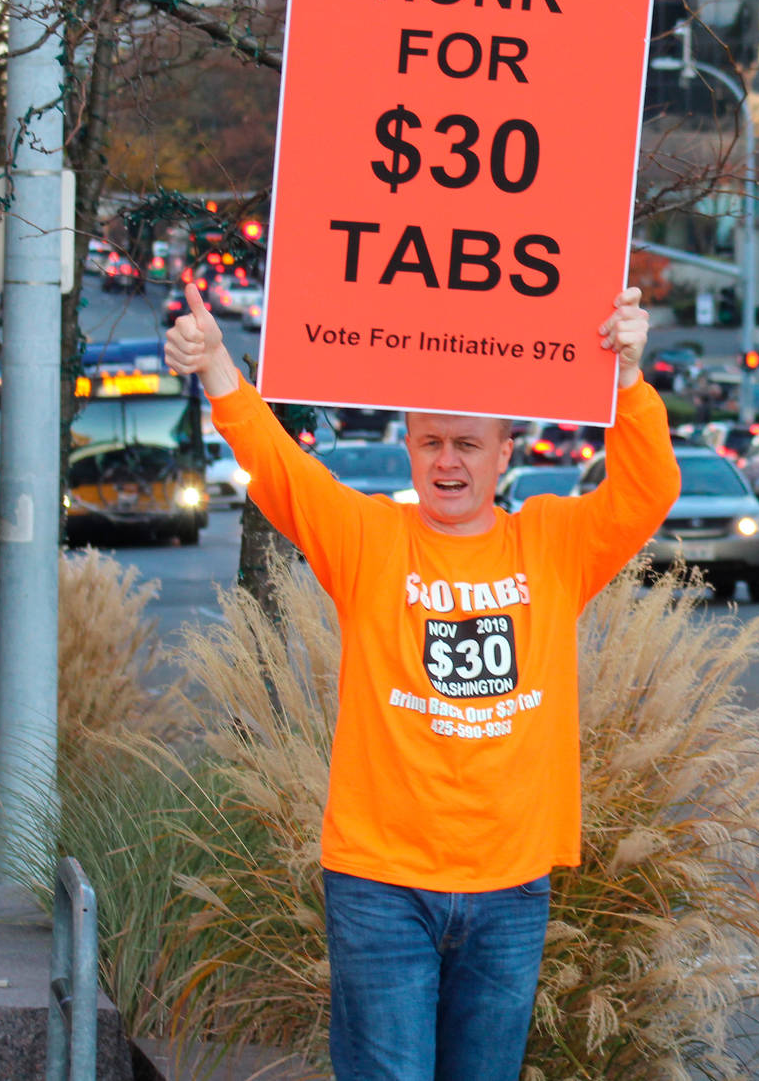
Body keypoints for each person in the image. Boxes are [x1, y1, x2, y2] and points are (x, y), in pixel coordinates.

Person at [164, 282, 680, 1081]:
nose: (447, 461)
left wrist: (629, 375)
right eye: (430, 441)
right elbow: (280, 467)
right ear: (407, 444)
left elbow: (648, 492)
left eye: (468, 445)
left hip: (511, 883)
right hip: (380, 884)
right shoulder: (369, 537)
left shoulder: (551, 542)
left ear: (505, 452)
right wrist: (219, 366)